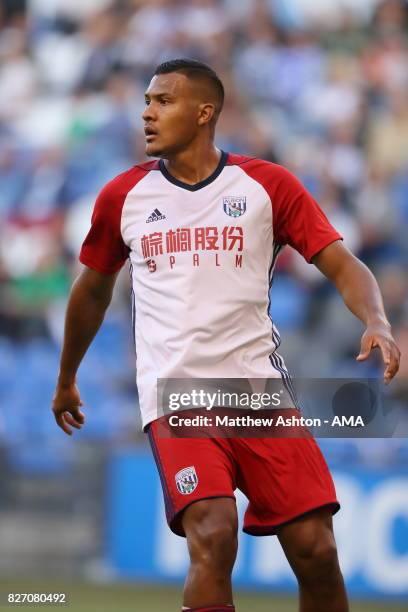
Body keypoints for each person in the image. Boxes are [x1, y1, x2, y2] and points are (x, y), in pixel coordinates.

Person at [52, 59, 400, 612]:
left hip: (257, 394)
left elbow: (341, 263)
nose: (147, 112)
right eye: (146, 100)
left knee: (317, 551)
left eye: (163, 101)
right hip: (178, 398)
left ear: (204, 112)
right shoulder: (123, 197)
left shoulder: (267, 186)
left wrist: (377, 319)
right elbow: (91, 291)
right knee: (214, 534)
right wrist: (67, 376)